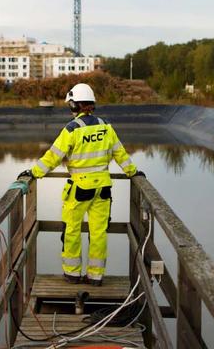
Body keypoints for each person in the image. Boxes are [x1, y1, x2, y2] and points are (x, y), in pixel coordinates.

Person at [18, 83, 144, 286]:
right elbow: (120, 154)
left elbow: (53, 157)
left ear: (74, 106)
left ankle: (73, 274)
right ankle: (95, 276)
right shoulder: (106, 127)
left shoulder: (72, 129)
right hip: (103, 189)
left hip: (79, 190)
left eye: (71, 104)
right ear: (92, 104)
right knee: (99, 233)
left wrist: (33, 172)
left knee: (71, 231)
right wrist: (133, 172)